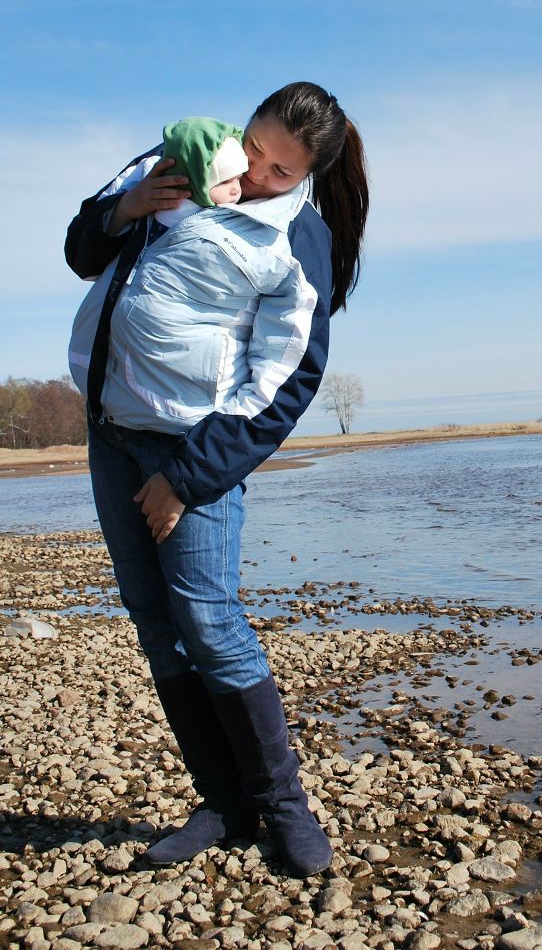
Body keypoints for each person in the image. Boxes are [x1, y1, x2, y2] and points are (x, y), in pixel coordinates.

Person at [65, 83, 369, 875]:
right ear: (245, 125)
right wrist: (124, 210)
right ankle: (222, 804)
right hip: (111, 433)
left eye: (279, 170)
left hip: (193, 446)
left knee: (208, 618)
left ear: (306, 176)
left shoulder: (298, 235)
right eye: (254, 149)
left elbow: (287, 380)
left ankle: (284, 806)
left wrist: (188, 478)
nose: (255, 174)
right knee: (154, 620)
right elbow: (82, 252)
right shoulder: (179, 159)